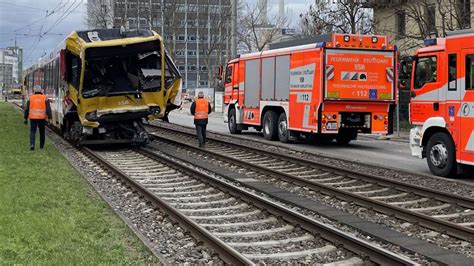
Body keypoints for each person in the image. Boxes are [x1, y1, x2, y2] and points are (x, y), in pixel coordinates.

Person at [24, 85, 52, 150]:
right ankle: (41, 146)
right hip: (42, 118)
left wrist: (25, 117)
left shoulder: (30, 98)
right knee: (42, 132)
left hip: (33, 118)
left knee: (32, 131)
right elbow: (48, 109)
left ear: (34, 90)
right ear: (41, 90)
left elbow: (27, 109)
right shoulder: (45, 97)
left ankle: (32, 145)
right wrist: (50, 118)